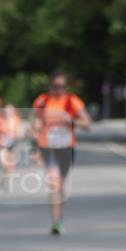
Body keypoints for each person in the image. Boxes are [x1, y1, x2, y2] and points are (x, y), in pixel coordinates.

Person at [31, 71, 91, 234]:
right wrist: (34, 137)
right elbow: (32, 122)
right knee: (54, 182)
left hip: (66, 147)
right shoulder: (42, 101)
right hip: (47, 146)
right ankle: (56, 220)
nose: (59, 90)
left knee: (61, 185)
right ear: (51, 86)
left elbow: (87, 123)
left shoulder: (72, 101)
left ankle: (60, 216)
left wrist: (70, 120)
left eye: (62, 87)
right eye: (56, 86)